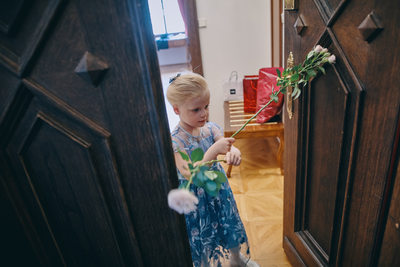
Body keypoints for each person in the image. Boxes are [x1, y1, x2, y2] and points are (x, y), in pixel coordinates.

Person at [167, 73, 258, 267]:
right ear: (176, 109)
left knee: (228, 222)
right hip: (197, 201)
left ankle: (235, 259)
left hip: (218, 190)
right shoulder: (175, 141)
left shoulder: (210, 128)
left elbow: (226, 144)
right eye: (196, 109)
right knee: (203, 235)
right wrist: (213, 151)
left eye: (206, 107)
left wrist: (234, 151)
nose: (204, 114)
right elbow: (189, 173)